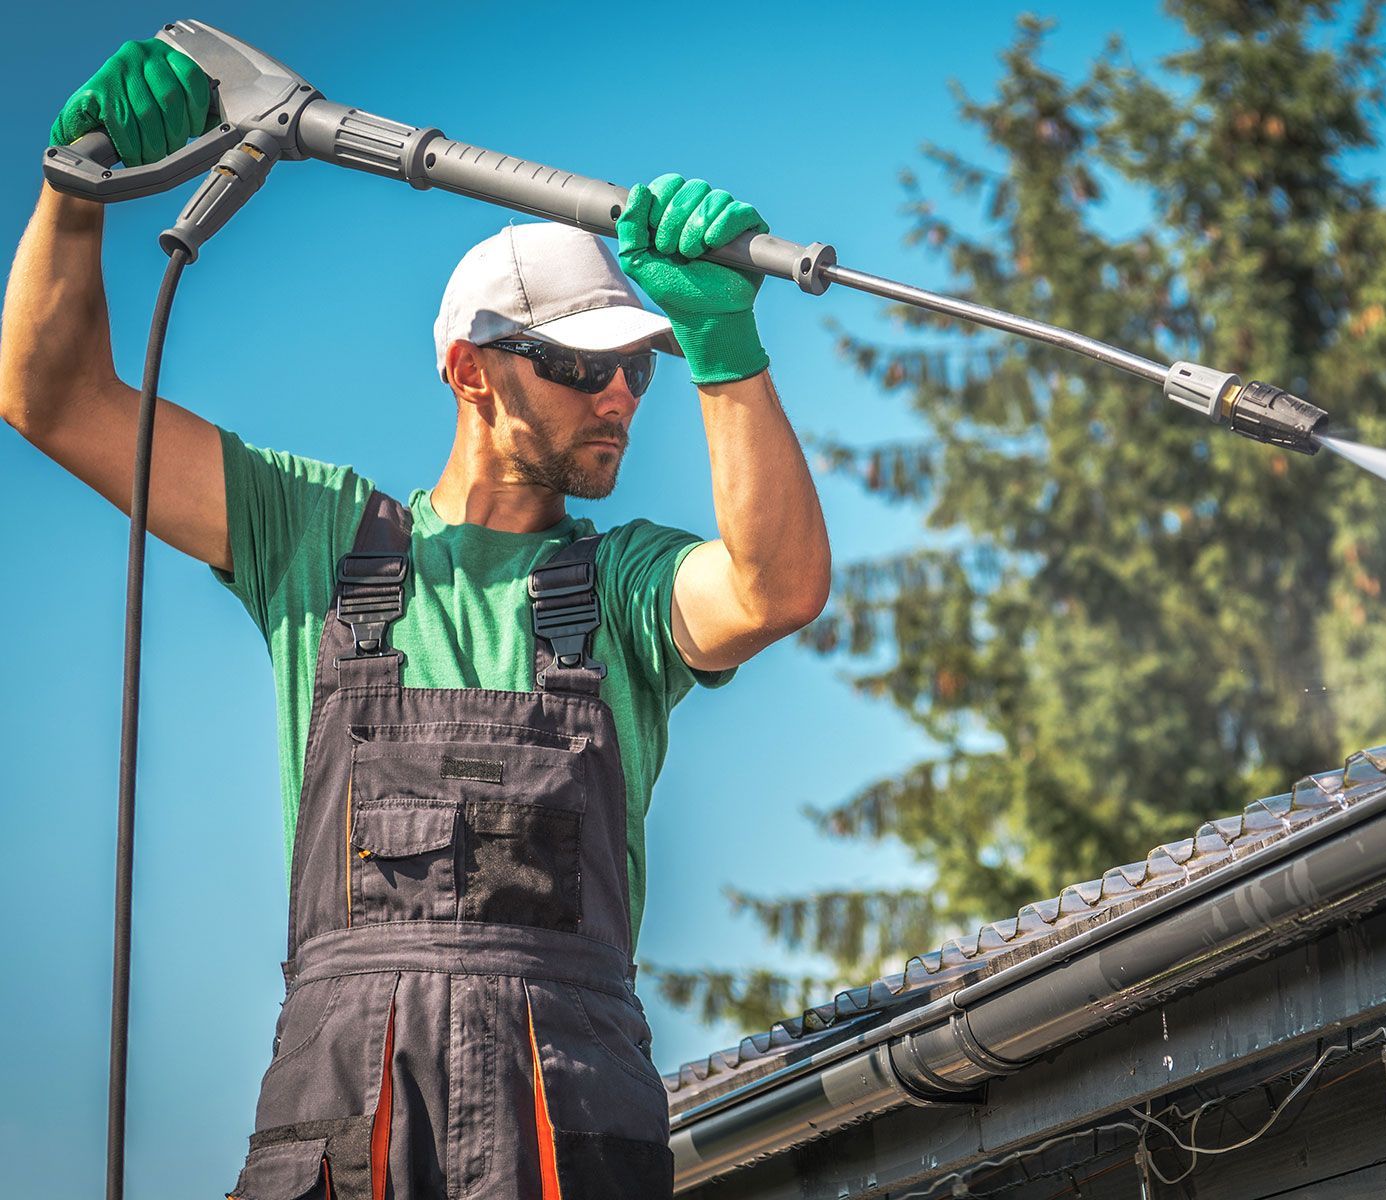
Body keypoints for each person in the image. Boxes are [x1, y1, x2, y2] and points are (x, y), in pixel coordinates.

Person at [3, 38, 830, 1198]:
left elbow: (773, 588)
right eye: (580, 368)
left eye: (637, 370)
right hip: (351, 1100)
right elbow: (55, 399)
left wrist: (724, 349)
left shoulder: (627, 588)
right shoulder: (318, 537)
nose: (621, 398)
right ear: (471, 369)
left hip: (568, 1104)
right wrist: (73, 190)